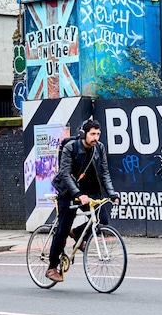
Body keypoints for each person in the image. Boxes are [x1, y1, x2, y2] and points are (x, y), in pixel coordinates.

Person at [46, 119, 119, 282]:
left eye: (98, 134)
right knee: (62, 230)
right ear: (83, 134)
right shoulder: (70, 148)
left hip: (88, 189)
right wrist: (78, 194)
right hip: (68, 189)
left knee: (102, 219)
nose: (96, 137)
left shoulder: (99, 148)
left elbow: (105, 172)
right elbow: (65, 174)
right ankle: (52, 267)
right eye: (93, 134)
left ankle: (78, 234)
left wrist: (112, 193)